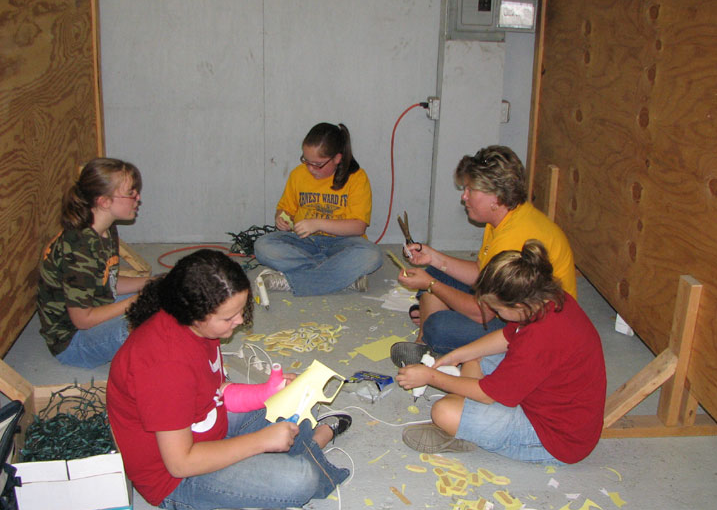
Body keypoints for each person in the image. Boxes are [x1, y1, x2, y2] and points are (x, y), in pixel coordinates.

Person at [107, 249, 351, 510]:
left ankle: (279, 462)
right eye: (229, 317)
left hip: (206, 426)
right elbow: (180, 464)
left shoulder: (198, 328)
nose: (240, 321)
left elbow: (217, 391)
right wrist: (260, 441)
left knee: (297, 402)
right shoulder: (164, 366)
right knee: (301, 479)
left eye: (241, 310)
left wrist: (269, 391)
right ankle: (307, 448)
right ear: (195, 314)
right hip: (176, 480)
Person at [396, 240, 606, 463]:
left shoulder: (541, 337)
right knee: (474, 356)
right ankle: (467, 417)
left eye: (497, 309)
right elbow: (507, 336)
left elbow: (488, 395)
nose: (494, 313)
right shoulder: (546, 299)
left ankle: (465, 429)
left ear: (519, 306)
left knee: (443, 412)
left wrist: (431, 377)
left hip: (554, 438)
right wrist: (459, 354)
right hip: (543, 396)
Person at [390, 145, 576, 364]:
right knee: (435, 271)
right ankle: (423, 344)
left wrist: (431, 285)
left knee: (438, 326)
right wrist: (433, 257)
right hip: (506, 304)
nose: (464, 196)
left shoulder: (513, 238)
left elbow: (483, 313)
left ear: (496, 197)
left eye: (470, 190)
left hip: (533, 327)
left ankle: (434, 341)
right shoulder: (504, 217)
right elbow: (481, 272)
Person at [37, 157, 150, 368]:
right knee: (146, 320)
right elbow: (83, 320)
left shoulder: (106, 229)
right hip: (73, 342)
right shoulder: (79, 249)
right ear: (104, 201)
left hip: (98, 308)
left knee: (163, 296)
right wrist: (137, 300)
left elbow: (108, 281)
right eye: (131, 193)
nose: (138, 197)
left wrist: (151, 283)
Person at [253, 122, 382, 296]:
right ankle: (342, 275)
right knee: (262, 245)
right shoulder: (298, 174)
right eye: (306, 161)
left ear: (337, 158)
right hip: (304, 241)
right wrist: (281, 217)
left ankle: (292, 281)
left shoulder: (357, 178)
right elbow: (285, 208)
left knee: (372, 255)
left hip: (343, 243)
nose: (310, 168)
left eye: (317, 164)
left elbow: (358, 227)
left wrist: (318, 224)